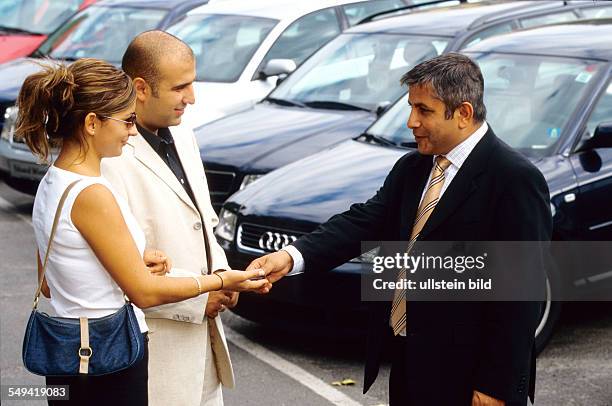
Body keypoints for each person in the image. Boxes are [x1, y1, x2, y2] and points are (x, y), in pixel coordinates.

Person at [247, 53, 552, 406]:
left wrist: (496, 385)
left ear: (464, 114)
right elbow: (363, 220)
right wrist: (290, 257)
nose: (411, 121)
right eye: (411, 108)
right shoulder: (414, 167)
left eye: (424, 111)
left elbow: (519, 295)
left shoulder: (514, 179)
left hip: (469, 376)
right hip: (410, 360)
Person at [16, 58, 268, 406]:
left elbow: (50, 281)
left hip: (74, 358)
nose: (132, 132)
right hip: (106, 357)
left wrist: (131, 262)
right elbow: (145, 293)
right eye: (127, 121)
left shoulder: (54, 181)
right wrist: (223, 280)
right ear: (92, 123)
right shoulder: (93, 194)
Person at [100, 31, 255, 406]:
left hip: (205, 349)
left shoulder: (183, 134)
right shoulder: (107, 157)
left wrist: (222, 273)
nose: (192, 97)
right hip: (155, 351)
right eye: (180, 87)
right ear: (140, 88)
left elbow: (202, 218)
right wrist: (202, 295)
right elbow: (116, 271)